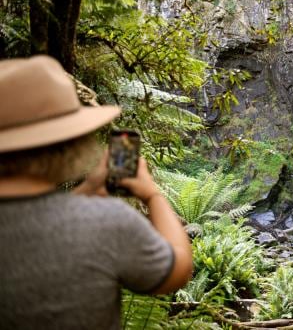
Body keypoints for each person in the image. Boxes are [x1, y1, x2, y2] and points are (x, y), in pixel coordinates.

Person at [0, 56, 193, 329]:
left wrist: (86, 190)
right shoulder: (106, 223)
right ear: (68, 143)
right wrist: (152, 195)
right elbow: (177, 269)